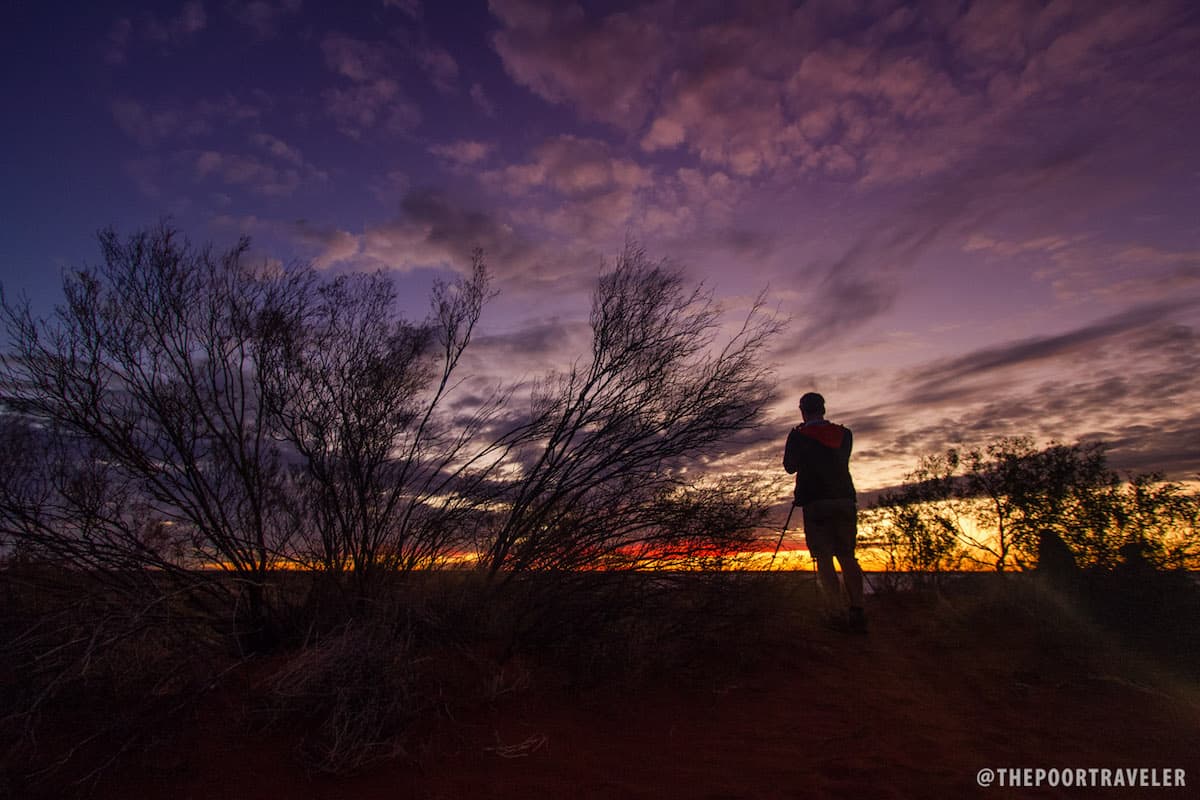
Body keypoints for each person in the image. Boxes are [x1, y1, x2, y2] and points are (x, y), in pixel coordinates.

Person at [783, 392, 866, 633]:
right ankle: (857, 609)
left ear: (803, 411)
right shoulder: (845, 434)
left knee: (824, 557)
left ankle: (836, 612)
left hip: (815, 501)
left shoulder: (798, 436)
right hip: (844, 499)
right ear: (823, 409)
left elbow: (789, 467)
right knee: (847, 555)